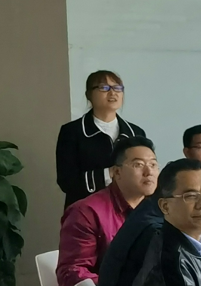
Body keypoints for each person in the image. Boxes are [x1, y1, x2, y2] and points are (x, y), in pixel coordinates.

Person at [51, 137, 157, 286]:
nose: (148, 171)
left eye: (153, 164)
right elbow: (72, 271)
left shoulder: (158, 208)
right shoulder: (86, 212)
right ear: (116, 172)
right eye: (138, 164)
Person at [55, 70, 144, 209]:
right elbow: (67, 181)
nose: (113, 93)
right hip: (86, 211)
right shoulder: (72, 132)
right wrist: (109, 173)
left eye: (117, 88)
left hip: (128, 212)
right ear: (89, 94)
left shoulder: (135, 133)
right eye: (104, 87)